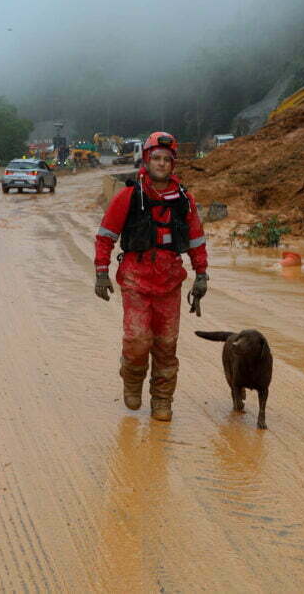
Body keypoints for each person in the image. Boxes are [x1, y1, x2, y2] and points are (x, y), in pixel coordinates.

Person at [94, 132, 209, 422]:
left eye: (166, 159)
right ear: (146, 160)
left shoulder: (184, 199)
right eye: (156, 158)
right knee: (137, 339)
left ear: (173, 164)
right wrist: (101, 272)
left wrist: (201, 276)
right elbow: (106, 235)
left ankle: (162, 400)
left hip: (170, 280)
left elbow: (196, 239)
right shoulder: (130, 196)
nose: (161, 163)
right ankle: (132, 382)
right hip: (135, 278)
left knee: (166, 344)